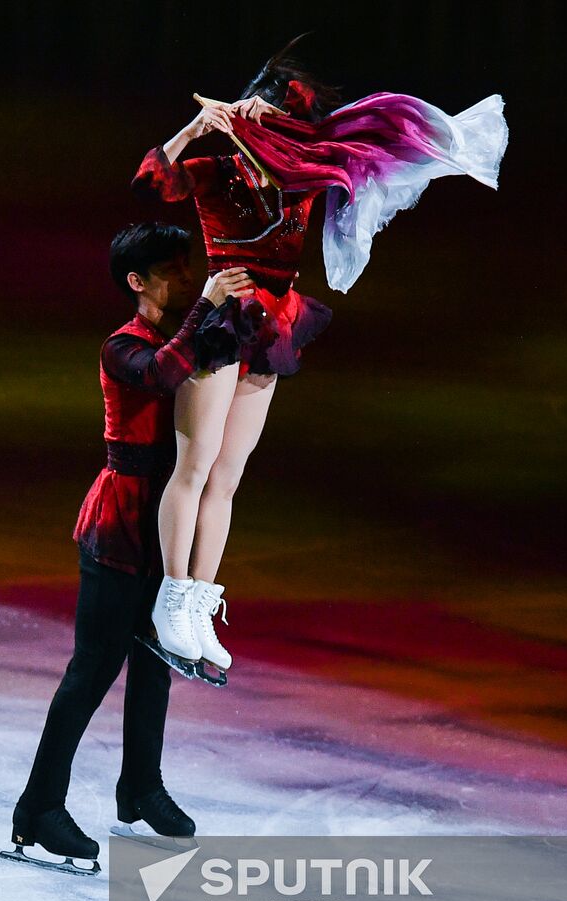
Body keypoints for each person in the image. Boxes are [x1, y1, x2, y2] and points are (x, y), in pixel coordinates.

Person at [132, 34, 508, 674]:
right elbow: (151, 185)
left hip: (274, 321)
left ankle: (198, 599)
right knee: (194, 463)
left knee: (229, 473)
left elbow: (374, 157)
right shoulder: (216, 170)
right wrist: (197, 127)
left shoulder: (306, 176)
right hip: (226, 315)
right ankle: (170, 598)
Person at [1, 223, 253, 874]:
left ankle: (140, 787)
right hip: (120, 520)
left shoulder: (187, 330)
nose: (185, 277)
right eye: (171, 271)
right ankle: (39, 807)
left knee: (156, 661)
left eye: (185, 266)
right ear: (138, 283)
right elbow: (164, 373)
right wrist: (208, 306)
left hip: (163, 521)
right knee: (93, 668)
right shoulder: (124, 345)